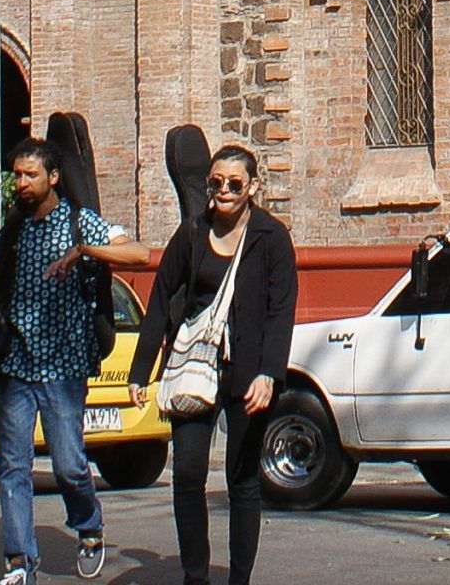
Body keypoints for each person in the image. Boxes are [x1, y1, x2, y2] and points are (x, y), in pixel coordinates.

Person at [130, 143, 298, 585]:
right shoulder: (191, 233)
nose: (224, 190)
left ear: (253, 186)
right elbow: (160, 298)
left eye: (234, 183)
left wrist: (270, 373)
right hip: (193, 367)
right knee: (187, 473)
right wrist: (141, 368)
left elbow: (282, 309)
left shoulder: (271, 237)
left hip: (249, 373)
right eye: (216, 183)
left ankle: (239, 578)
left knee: (242, 479)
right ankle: (195, 576)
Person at [0, 137, 155, 585]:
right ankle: (19, 562)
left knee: (68, 463)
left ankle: (88, 526)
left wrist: (85, 251)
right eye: (17, 175)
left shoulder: (82, 223)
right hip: (16, 366)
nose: (21, 183)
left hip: (63, 369)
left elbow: (139, 253)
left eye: (30, 175)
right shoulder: (15, 228)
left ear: (53, 177)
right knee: (12, 466)